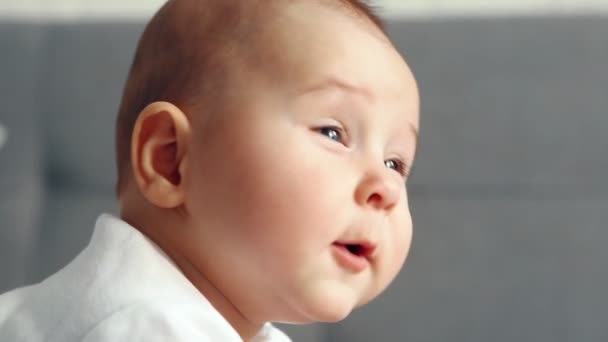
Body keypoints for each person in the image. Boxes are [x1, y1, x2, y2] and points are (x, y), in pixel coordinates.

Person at [0, 0, 420, 340]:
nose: (386, 186)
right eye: (332, 132)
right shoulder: (146, 325)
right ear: (171, 161)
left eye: (396, 162)